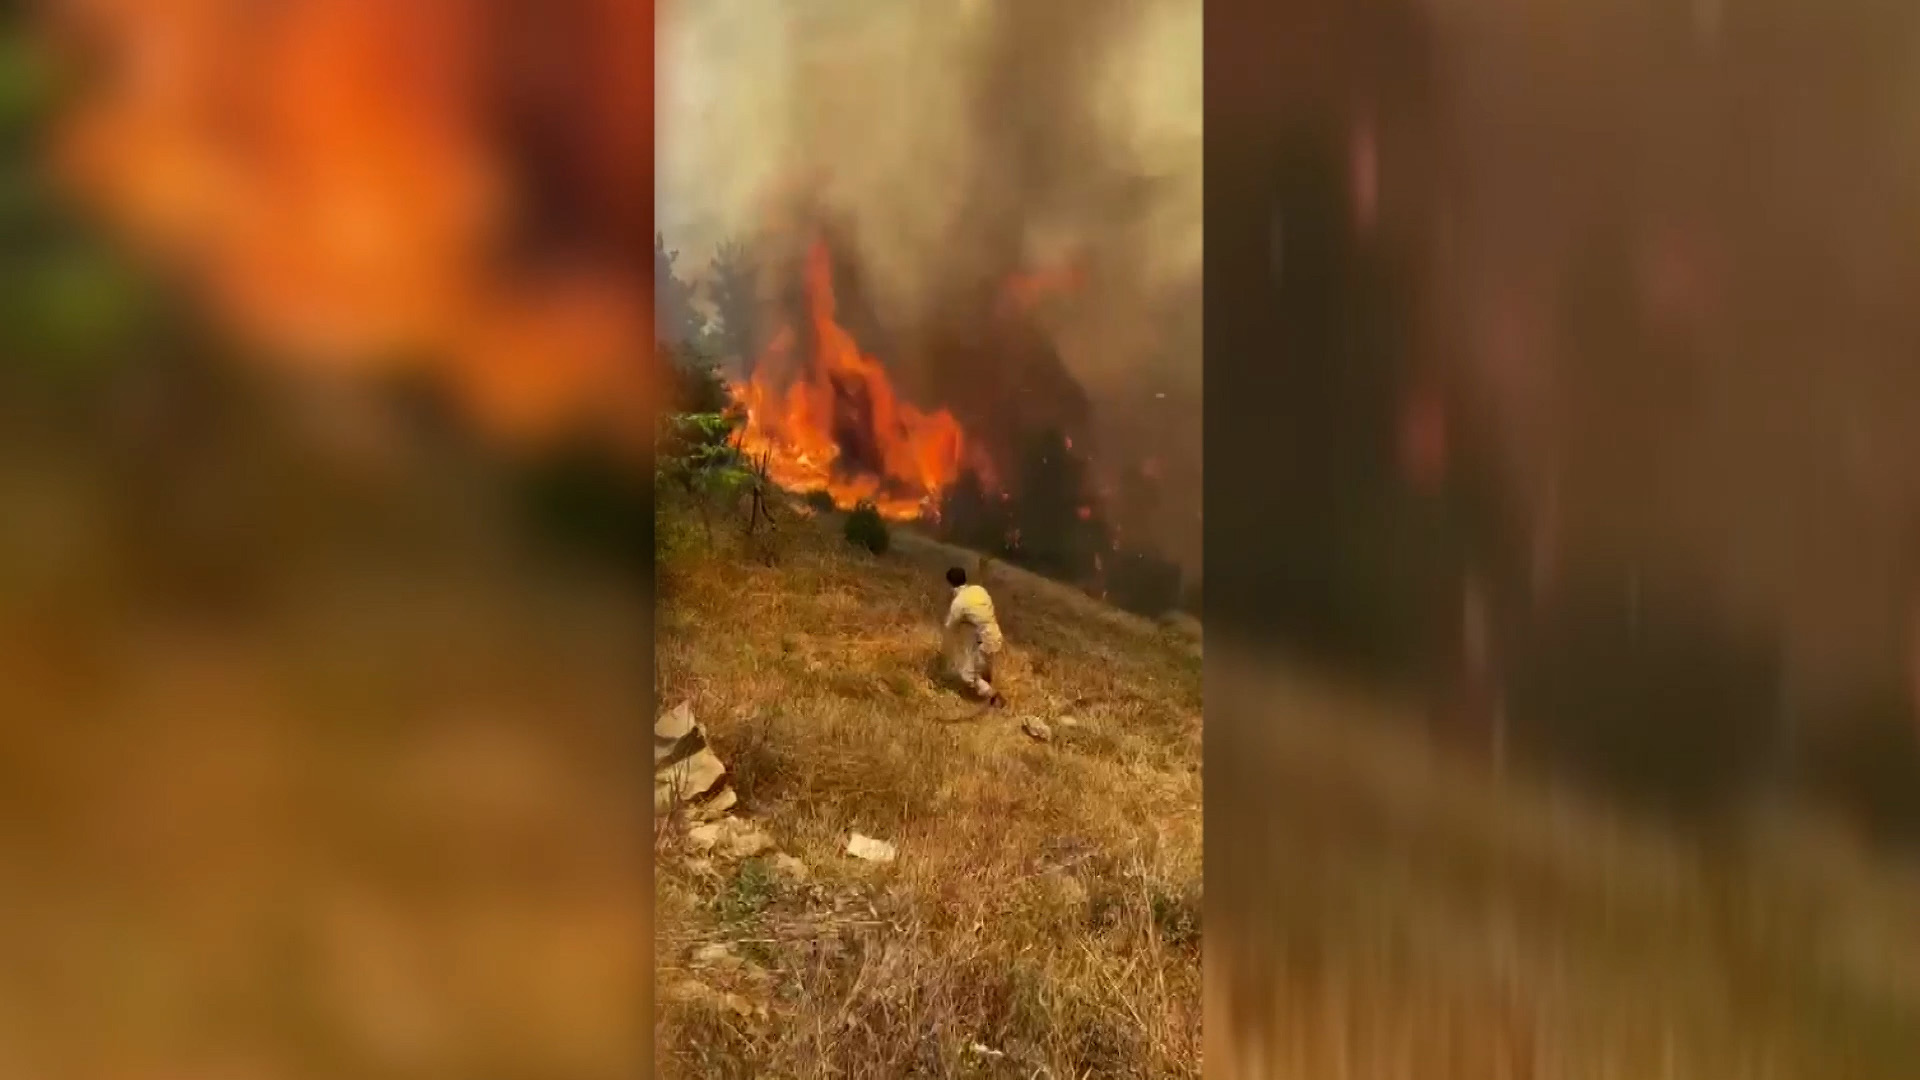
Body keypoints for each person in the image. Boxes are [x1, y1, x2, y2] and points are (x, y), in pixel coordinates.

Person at [944, 566, 1006, 706]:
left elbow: (950, 625)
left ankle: (994, 697)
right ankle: (985, 684)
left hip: (983, 640)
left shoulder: (959, 602)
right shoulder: (979, 590)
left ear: (950, 583)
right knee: (982, 666)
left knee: (968, 675)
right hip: (995, 635)